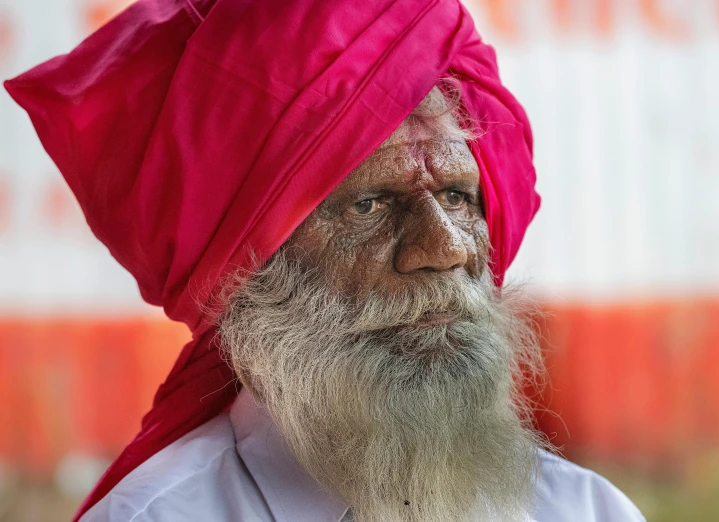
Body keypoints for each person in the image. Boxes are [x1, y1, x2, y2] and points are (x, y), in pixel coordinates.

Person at [5, 0, 645, 520]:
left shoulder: (585, 511)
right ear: (249, 272)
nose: (445, 247)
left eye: (457, 195)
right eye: (369, 205)